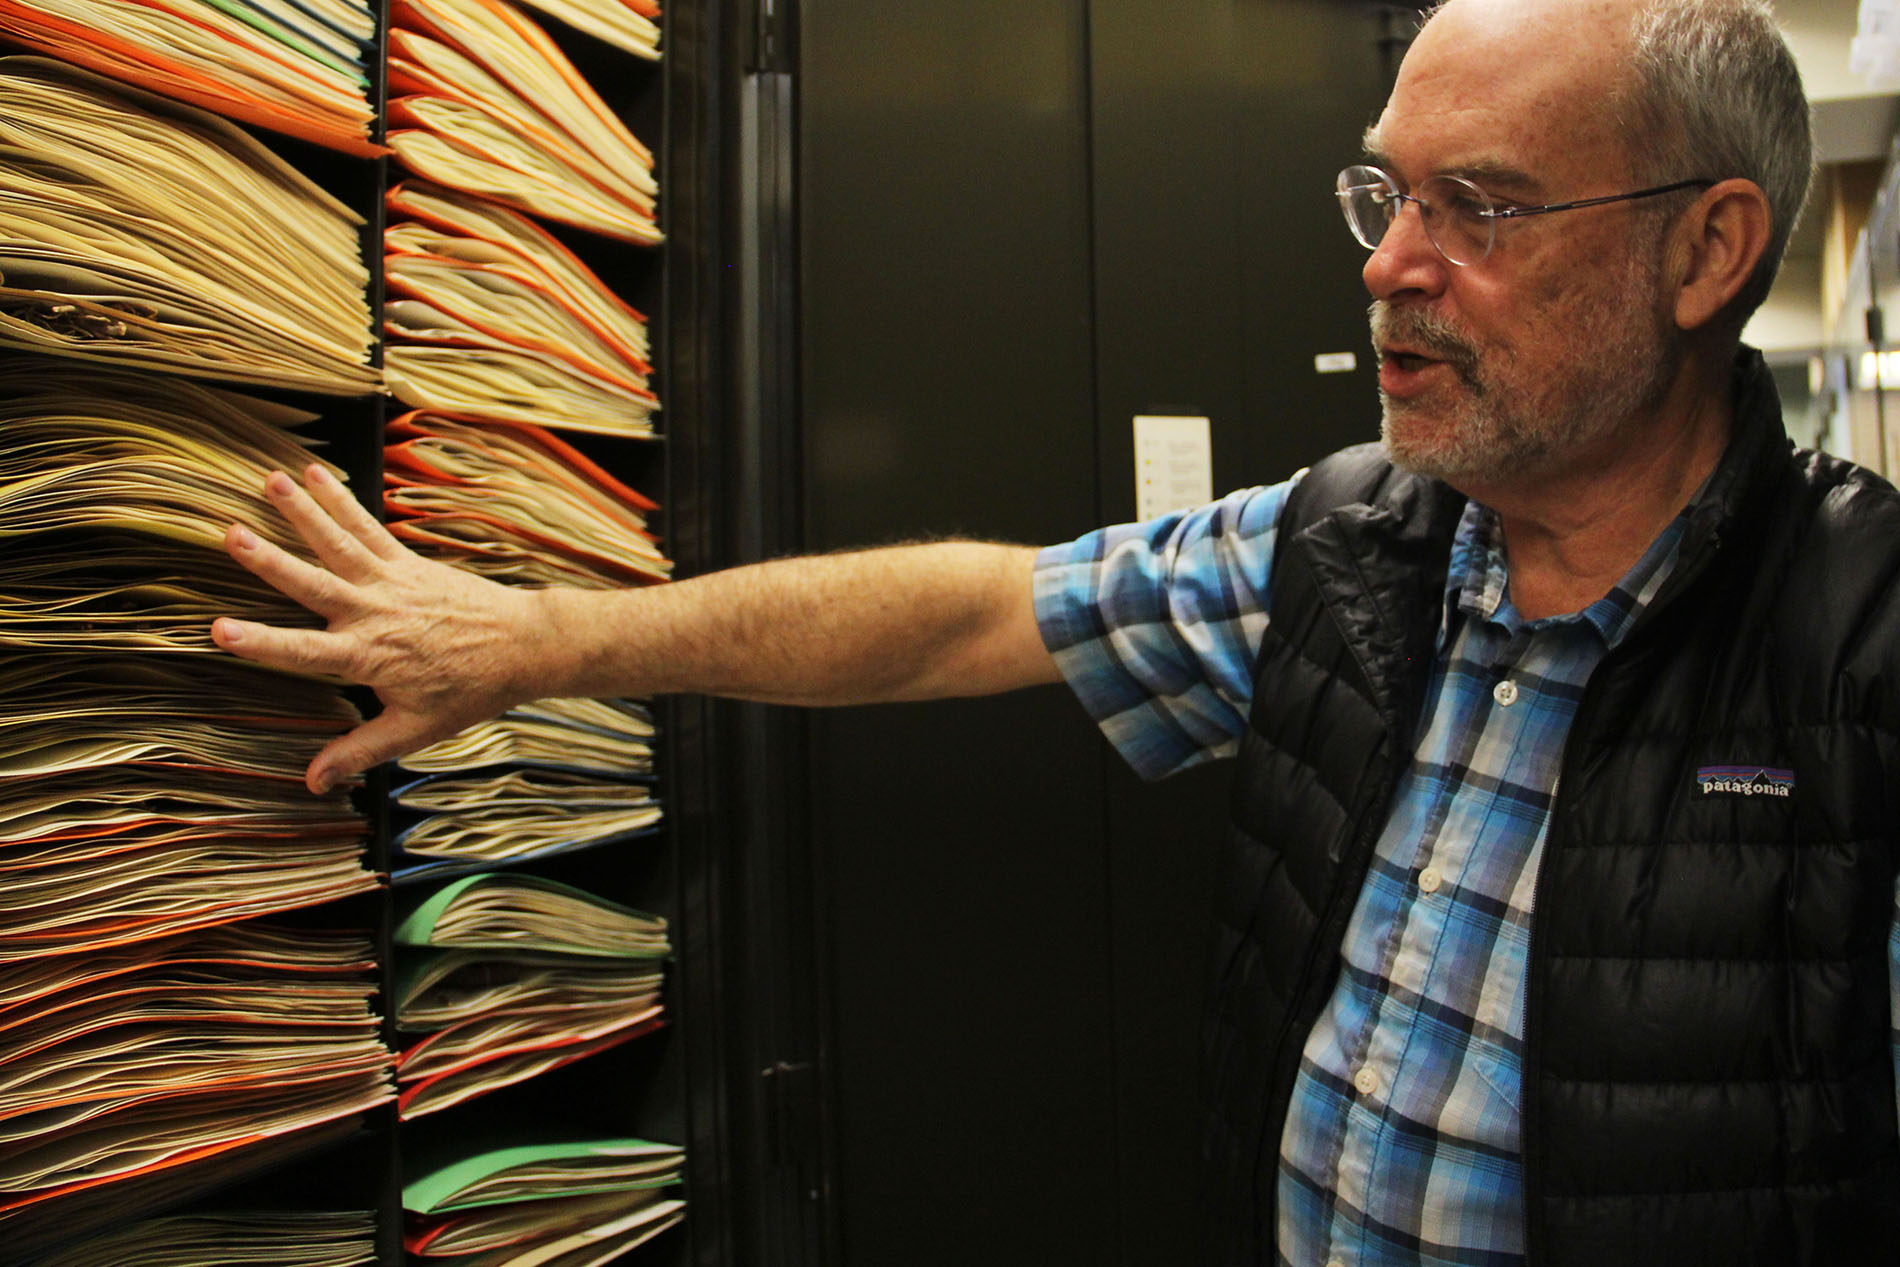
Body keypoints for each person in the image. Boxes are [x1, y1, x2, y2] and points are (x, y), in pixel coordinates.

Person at [212, 0, 1900, 1261]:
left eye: (1484, 205)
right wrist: (530, 642)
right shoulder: (1350, 548)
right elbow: (956, 617)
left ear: (1709, 249)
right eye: (1381, 197)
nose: (1393, 266)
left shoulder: (1859, 646)